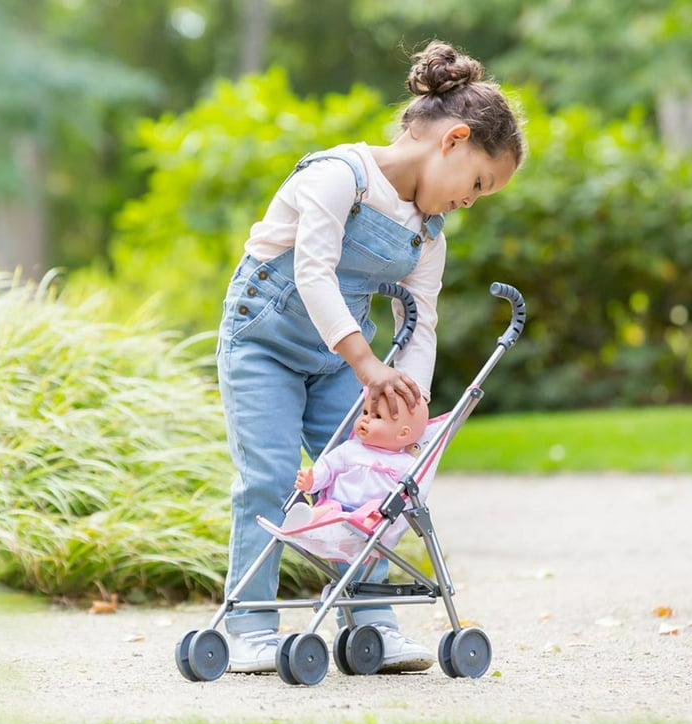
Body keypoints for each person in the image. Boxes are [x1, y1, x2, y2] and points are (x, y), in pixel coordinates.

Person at [217, 39, 525, 674]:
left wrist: (406, 401)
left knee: (369, 483)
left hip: (339, 361)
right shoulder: (338, 176)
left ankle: (372, 623)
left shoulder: (427, 235)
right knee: (269, 480)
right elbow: (314, 273)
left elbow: (421, 323)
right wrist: (367, 366)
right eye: (477, 182)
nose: (471, 201)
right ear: (454, 140)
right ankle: (250, 625)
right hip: (263, 348)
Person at [288, 391, 429, 528]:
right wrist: (312, 481)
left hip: (370, 516)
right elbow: (327, 467)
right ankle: (304, 520)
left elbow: (416, 493)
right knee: (328, 508)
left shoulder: (406, 464)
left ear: (402, 433)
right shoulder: (350, 449)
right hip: (336, 509)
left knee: (377, 508)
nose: (365, 419)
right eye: (365, 412)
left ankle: (365, 531)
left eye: (378, 416)